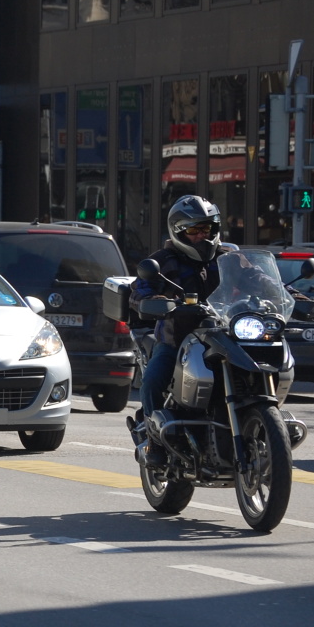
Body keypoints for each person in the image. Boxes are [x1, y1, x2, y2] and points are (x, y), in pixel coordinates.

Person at [128, 195, 230, 460]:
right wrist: (154, 301)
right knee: (152, 380)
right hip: (178, 340)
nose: (200, 236)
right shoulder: (162, 260)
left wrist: (291, 297)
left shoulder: (229, 257)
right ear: (178, 231)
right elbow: (139, 289)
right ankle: (154, 443)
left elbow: (257, 278)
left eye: (205, 230)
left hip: (224, 336)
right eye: (193, 230)